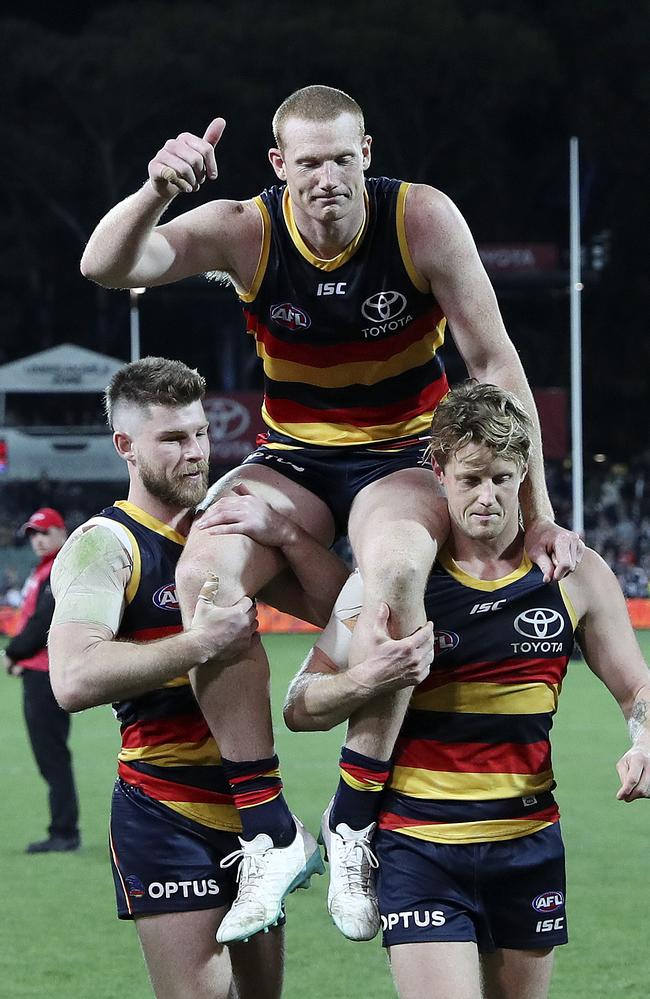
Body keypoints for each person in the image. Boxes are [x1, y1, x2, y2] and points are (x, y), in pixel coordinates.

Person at [79, 84, 583, 942]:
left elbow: (494, 361)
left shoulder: (420, 220)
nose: (327, 178)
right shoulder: (246, 227)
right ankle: (272, 832)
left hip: (403, 451)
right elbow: (108, 265)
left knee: (393, 566)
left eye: (342, 158)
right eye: (308, 162)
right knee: (203, 569)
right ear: (280, 167)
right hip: (294, 455)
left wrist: (539, 510)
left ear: (367, 156)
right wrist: (158, 188)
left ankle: (352, 821)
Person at [283, 382, 650, 998]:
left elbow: (636, 688)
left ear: (524, 475)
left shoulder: (575, 575)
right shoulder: (396, 578)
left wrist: (643, 740)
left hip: (528, 844)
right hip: (419, 848)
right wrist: (369, 678)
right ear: (439, 472)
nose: (487, 497)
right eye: (471, 477)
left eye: (503, 478)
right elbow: (299, 706)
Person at [47, 357, 345, 999]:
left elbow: (348, 613)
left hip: (253, 817)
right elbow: (72, 678)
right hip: (165, 810)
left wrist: (288, 535)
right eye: (173, 439)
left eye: (202, 434)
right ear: (125, 446)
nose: (196, 453)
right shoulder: (106, 545)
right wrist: (199, 642)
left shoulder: (225, 534)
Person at [3, 507, 80, 854]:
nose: (38, 540)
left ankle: (64, 831)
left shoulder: (58, 570)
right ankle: (62, 829)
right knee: (50, 755)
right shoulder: (45, 570)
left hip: (47, 675)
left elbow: (42, 624)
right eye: (33, 534)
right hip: (39, 670)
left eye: (44, 532)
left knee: (52, 756)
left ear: (62, 533)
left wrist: (14, 653)